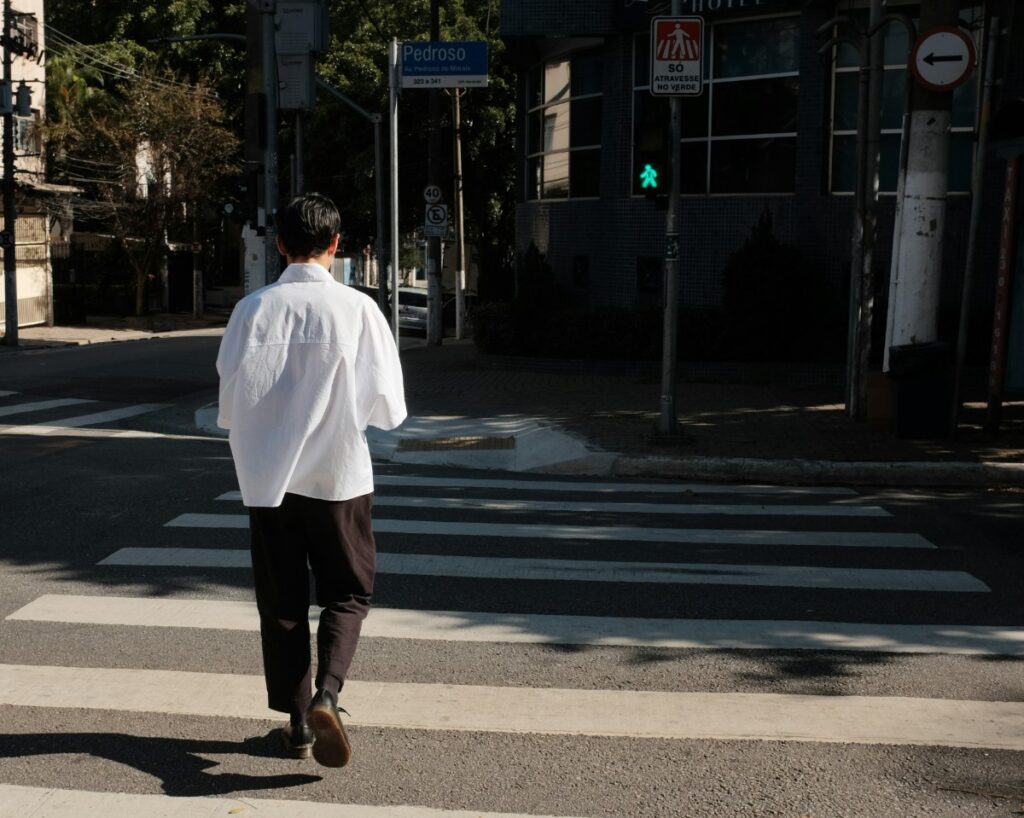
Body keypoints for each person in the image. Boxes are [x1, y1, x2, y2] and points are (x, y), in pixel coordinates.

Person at [216, 193, 406, 768]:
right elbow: (389, 409)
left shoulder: (251, 310)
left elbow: (229, 406)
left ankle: (298, 723)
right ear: (335, 244)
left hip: (269, 482)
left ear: (279, 245)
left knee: (282, 603)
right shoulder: (359, 310)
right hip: (340, 477)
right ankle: (329, 693)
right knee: (348, 592)